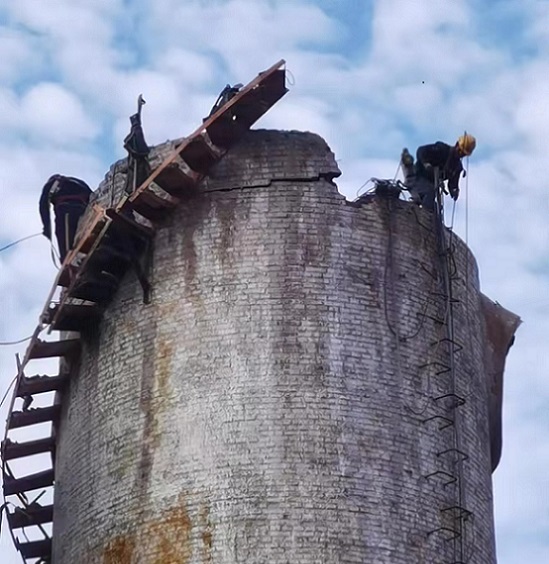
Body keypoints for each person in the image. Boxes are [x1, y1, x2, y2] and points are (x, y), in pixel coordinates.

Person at [401, 133, 476, 210]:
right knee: (429, 194)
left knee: (436, 209)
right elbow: (421, 151)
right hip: (416, 178)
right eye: (460, 151)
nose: (460, 154)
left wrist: (454, 190)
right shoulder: (442, 150)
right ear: (456, 145)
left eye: (463, 154)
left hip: (430, 185)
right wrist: (426, 163)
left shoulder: (457, 168)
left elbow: (453, 183)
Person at [39, 174, 92, 262]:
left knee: (63, 235)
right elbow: (93, 196)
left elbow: (43, 206)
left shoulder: (50, 185)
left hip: (67, 211)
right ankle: (79, 255)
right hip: (85, 212)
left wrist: (47, 229)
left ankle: (68, 261)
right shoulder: (78, 182)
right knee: (78, 236)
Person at [124, 94, 151, 195]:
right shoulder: (136, 131)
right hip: (137, 162)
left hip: (138, 163)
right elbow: (139, 146)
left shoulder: (136, 130)